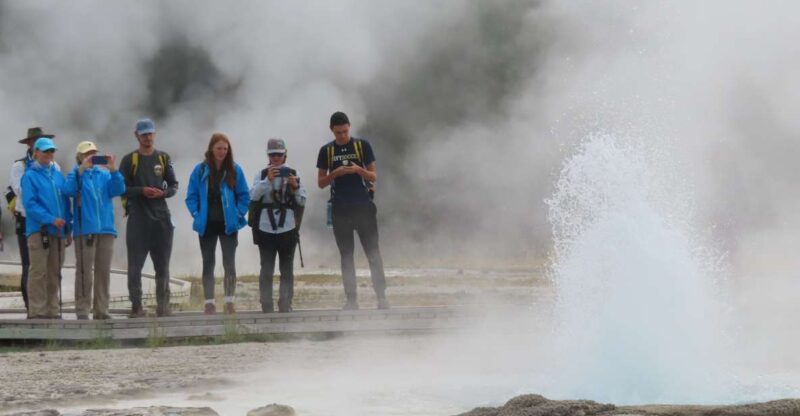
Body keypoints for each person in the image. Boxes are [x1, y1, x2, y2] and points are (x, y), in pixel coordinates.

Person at [317, 112, 388, 310]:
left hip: (363, 207)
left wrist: (358, 170)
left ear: (350, 127)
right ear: (332, 130)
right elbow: (321, 183)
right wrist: (336, 173)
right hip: (340, 210)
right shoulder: (326, 151)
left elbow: (373, 176)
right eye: (338, 132)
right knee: (346, 256)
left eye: (345, 131)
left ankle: (381, 297)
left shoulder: (361, 146)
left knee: (373, 252)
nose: (342, 136)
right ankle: (351, 300)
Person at [118, 118, 178, 317]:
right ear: (137, 135)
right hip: (138, 218)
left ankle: (163, 306)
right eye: (144, 134)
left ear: (155, 134)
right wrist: (142, 190)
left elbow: (174, 185)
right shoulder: (129, 160)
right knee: (135, 265)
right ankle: (136, 307)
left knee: (163, 265)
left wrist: (163, 193)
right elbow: (121, 189)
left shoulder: (163, 158)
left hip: (161, 218)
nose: (148, 137)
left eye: (151, 133)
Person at [185, 133, 250, 315]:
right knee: (208, 263)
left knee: (229, 263)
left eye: (225, 149)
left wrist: (238, 214)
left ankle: (229, 302)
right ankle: (209, 303)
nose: (222, 152)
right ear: (211, 149)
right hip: (206, 224)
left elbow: (245, 195)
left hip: (228, 224)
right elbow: (191, 196)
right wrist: (196, 214)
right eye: (219, 148)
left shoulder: (235, 170)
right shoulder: (199, 170)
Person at [63, 141, 125, 320]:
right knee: (84, 271)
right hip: (85, 229)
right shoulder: (75, 173)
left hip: (106, 228)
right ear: (80, 157)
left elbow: (119, 189)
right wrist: (80, 170)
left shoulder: (104, 174)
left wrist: (114, 170)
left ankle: (101, 310)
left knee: (103, 271)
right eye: (87, 154)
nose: (91, 156)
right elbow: (69, 191)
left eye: (93, 153)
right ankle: (82, 310)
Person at [250, 138, 306, 313]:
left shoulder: (293, 173)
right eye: (272, 154)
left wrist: (295, 187)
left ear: (285, 155)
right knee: (266, 268)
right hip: (265, 228)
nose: (276, 158)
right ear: (268, 156)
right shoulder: (260, 175)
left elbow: (302, 201)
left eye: (279, 155)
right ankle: (266, 305)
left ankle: (285, 303)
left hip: (288, 227)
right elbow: (252, 197)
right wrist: (267, 181)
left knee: (287, 269)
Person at [8, 127, 60, 312]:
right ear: (30, 144)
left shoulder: (54, 166)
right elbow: (20, 192)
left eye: (42, 140)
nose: (40, 144)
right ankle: (31, 307)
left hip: (51, 221)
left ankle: (48, 306)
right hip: (27, 219)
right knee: (30, 265)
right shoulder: (19, 166)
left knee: (51, 267)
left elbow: (59, 192)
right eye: (36, 140)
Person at [21, 138, 72, 319]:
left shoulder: (57, 175)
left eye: (51, 151)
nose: (49, 154)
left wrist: (68, 228)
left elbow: (66, 202)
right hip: (39, 230)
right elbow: (30, 204)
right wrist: (51, 219)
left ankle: (52, 310)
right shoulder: (29, 176)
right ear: (36, 153)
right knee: (38, 272)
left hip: (58, 231)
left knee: (54, 272)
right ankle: (37, 311)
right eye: (45, 151)